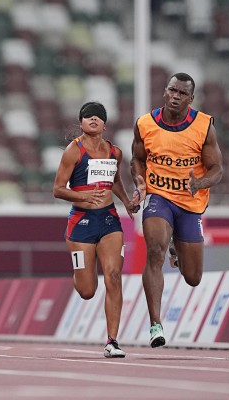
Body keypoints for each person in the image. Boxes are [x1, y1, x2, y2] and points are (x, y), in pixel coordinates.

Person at [131, 71, 223, 349]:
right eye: (172, 90)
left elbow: (218, 169)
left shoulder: (203, 126)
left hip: (190, 203)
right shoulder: (145, 123)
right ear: (165, 91)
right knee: (154, 249)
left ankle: (177, 245)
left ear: (191, 99)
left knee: (193, 277)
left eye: (182, 93)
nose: (175, 96)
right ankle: (155, 324)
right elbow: (137, 159)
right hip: (160, 197)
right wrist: (140, 182)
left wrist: (201, 182)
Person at [52, 101, 140, 359]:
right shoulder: (73, 151)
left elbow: (115, 181)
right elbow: (57, 189)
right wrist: (84, 198)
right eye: (88, 117)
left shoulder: (115, 152)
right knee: (87, 290)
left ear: (104, 123)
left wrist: (126, 202)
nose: (93, 120)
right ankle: (79, 272)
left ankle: (112, 340)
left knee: (113, 275)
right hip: (80, 222)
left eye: (98, 117)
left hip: (109, 219)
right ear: (80, 123)